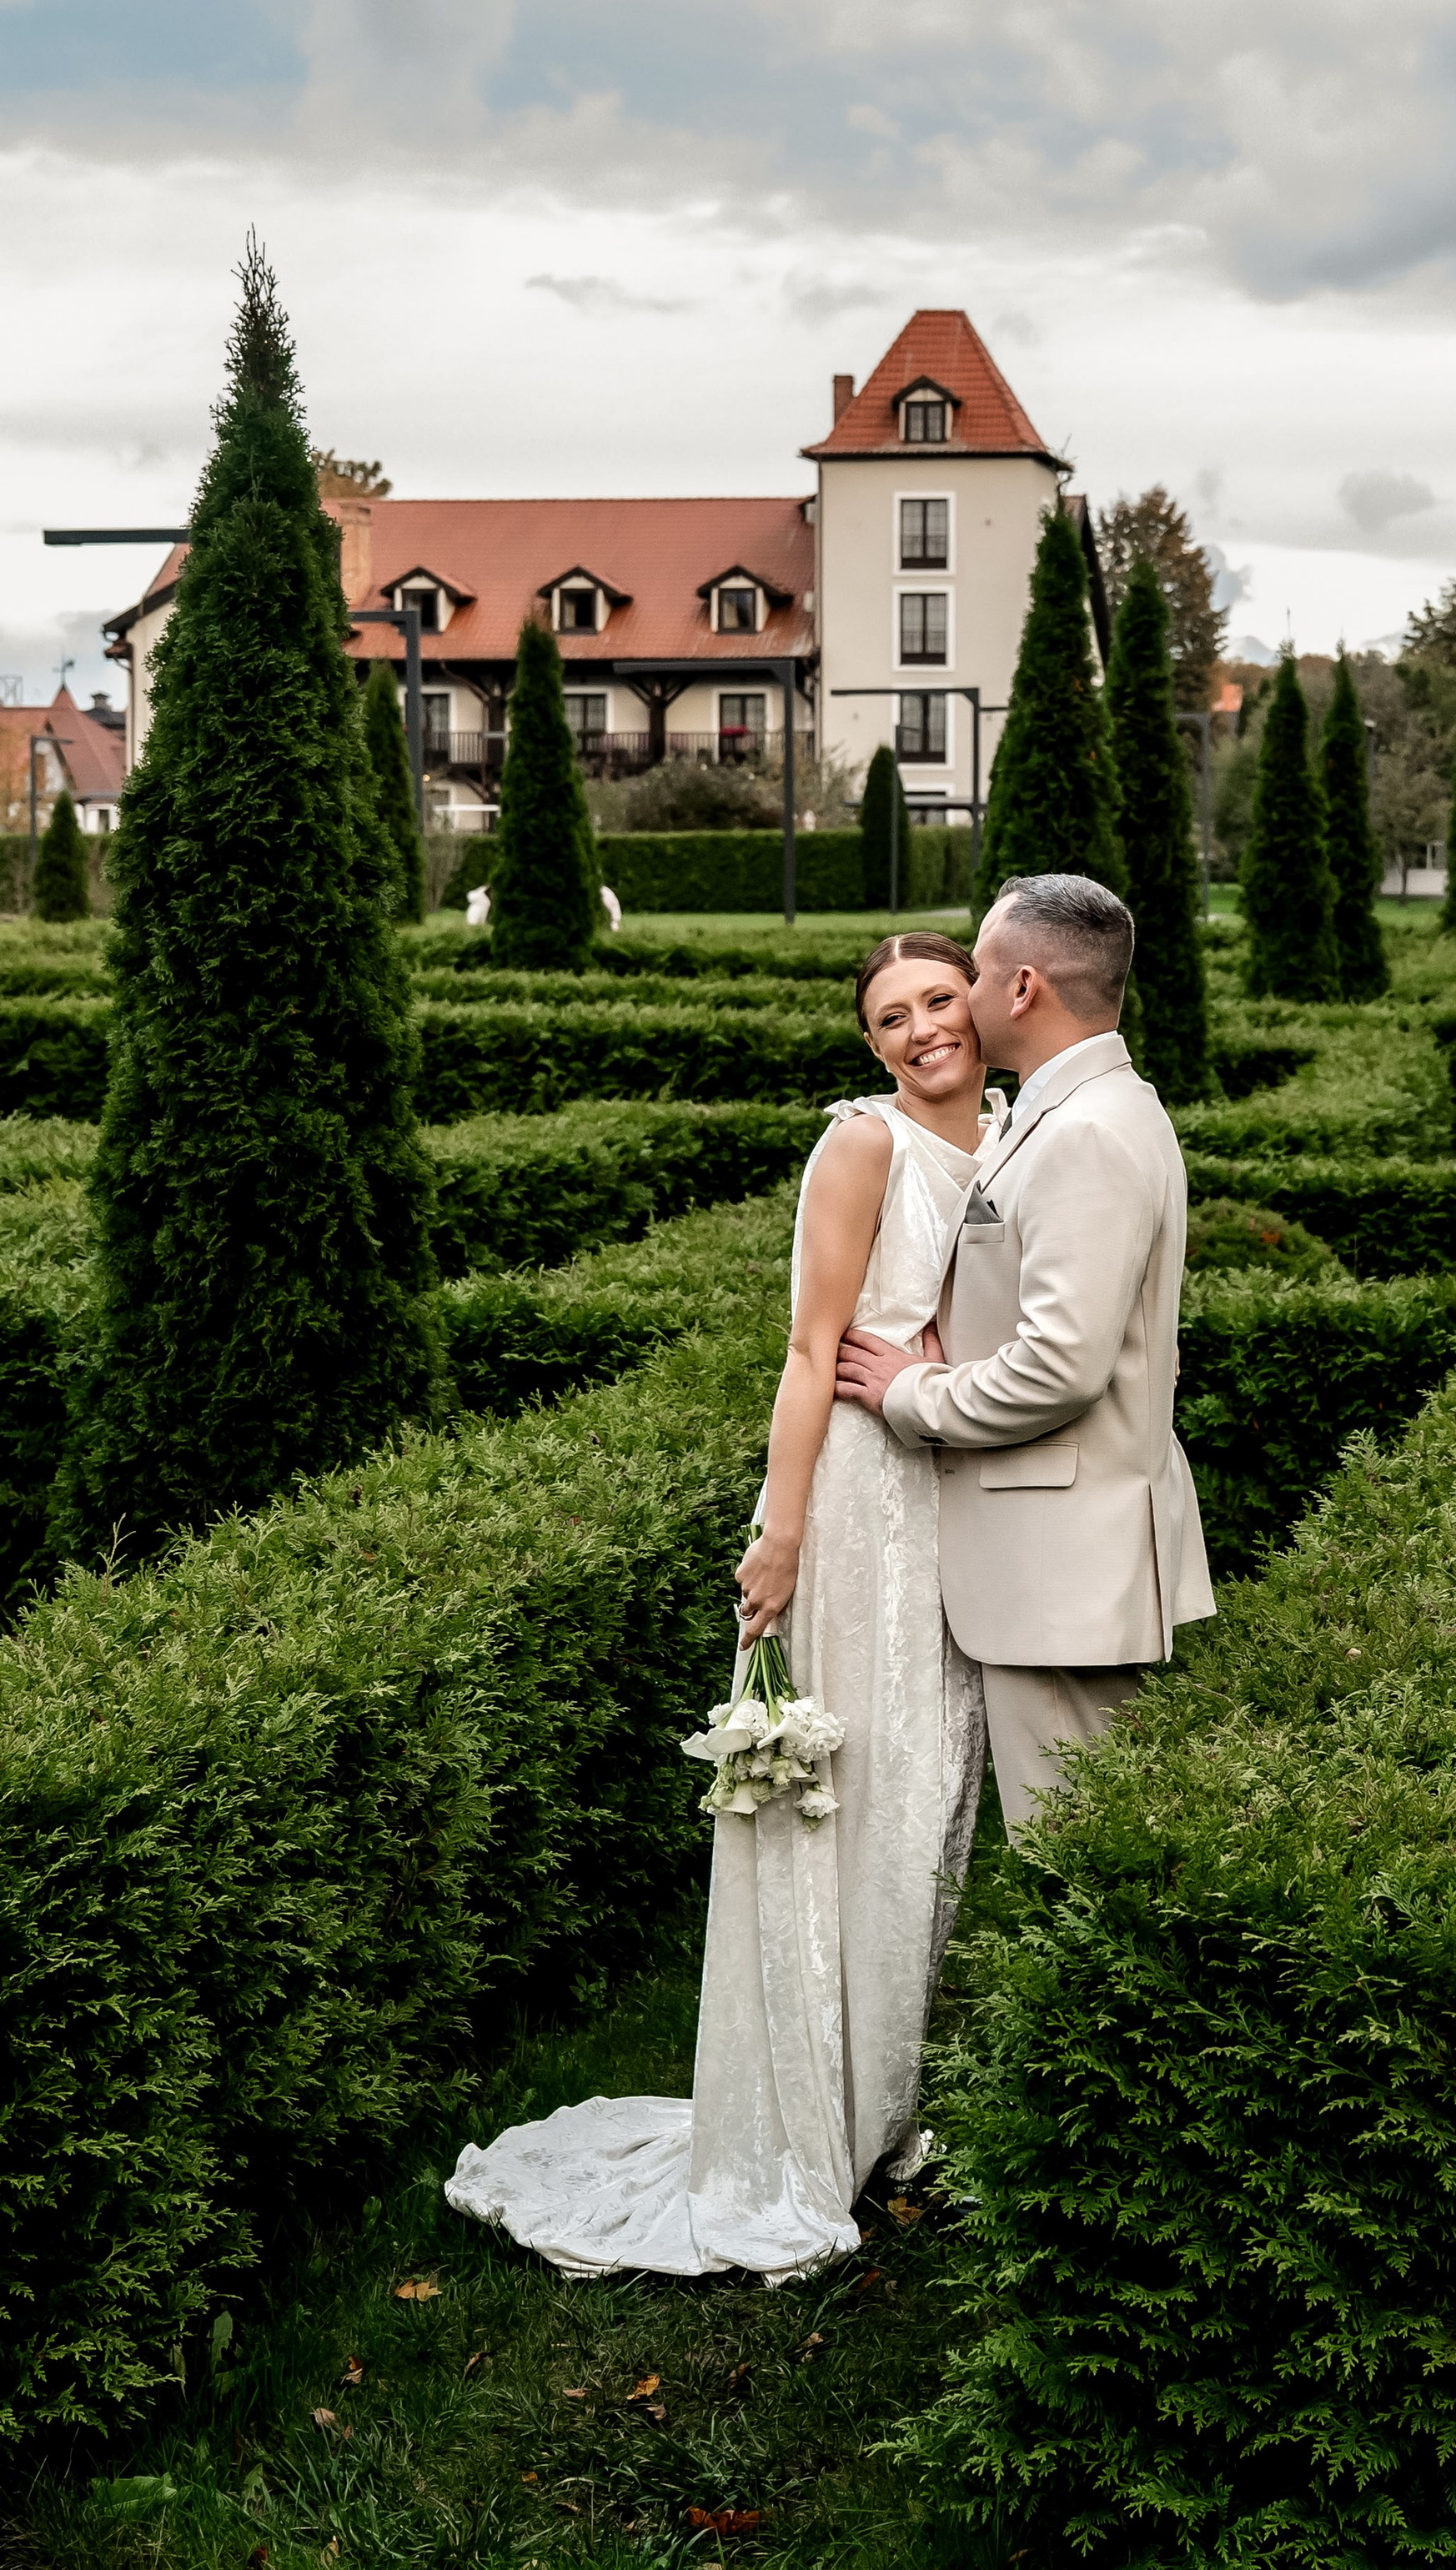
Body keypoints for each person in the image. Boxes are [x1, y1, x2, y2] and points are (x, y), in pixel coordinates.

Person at [444, 931, 994, 2278]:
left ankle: (880, 2102)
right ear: (869, 1048)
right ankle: (802, 2131)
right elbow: (813, 1350)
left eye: (938, 1000)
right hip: (861, 1504)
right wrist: (785, 1530)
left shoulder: (1029, 1130)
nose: (921, 1029)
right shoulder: (862, 1145)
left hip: (962, 1493)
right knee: (844, 1799)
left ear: (981, 1001)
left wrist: (948, 1357)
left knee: (926, 1803)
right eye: (890, 1018)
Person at [836, 872, 1215, 1835]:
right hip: (1064, 1559)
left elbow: (1061, 1367)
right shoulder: (1080, 1109)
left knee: (1078, 1854)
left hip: (1063, 1568)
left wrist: (910, 1391)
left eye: (977, 970)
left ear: (1023, 989)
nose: (956, 999)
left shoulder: (1085, 1132)